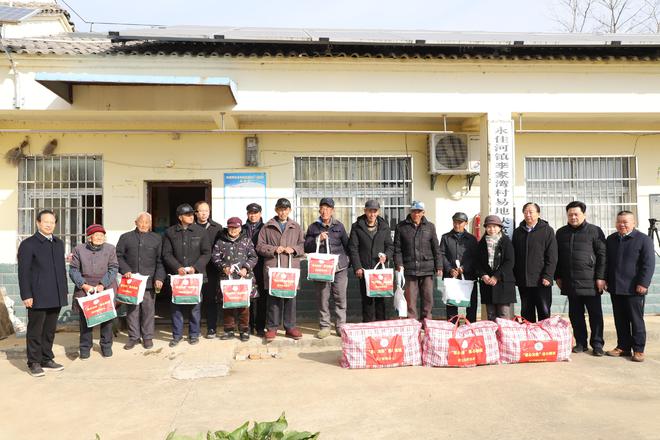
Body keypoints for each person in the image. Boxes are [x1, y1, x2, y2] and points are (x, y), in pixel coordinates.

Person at [17, 209, 68, 377]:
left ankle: (46, 358)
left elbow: (60, 270)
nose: (49, 225)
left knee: (49, 330)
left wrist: (63, 292)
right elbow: (23, 272)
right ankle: (34, 362)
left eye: (52, 222)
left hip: (56, 294)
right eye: (46, 221)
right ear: (38, 223)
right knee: (35, 330)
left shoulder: (58, 243)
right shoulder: (29, 244)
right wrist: (26, 295)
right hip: (37, 295)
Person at [555, 201, 607, 356]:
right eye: (570, 214)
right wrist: (557, 276)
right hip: (570, 281)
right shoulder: (561, 232)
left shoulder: (595, 231)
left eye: (576, 214)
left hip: (590, 281)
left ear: (584, 214)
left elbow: (602, 255)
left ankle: (597, 344)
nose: (573, 217)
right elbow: (556, 256)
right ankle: (580, 343)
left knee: (595, 315)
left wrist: (600, 277)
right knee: (575, 315)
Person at [605, 211, 656, 362]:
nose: (622, 225)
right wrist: (606, 280)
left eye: (625, 222)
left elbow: (649, 264)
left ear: (634, 223)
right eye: (619, 222)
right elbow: (607, 262)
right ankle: (623, 347)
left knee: (636, 320)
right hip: (615, 286)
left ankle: (639, 349)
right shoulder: (611, 239)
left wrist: (643, 283)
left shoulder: (643, 239)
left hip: (634, 288)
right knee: (620, 319)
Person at [162, 203, 211, 347]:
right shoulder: (170, 232)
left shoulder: (201, 232)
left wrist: (195, 267)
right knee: (176, 305)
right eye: (188, 215)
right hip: (177, 276)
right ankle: (176, 335)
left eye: (192, 214)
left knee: (195, 305)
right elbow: (166, 254)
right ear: (180, 217)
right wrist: (177, 267)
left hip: (195, 275)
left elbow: (207, 253)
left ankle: (194, 334)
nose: (191, 216)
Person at [256, 198, 305, 342]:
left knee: (290, 299)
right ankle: (272, 328)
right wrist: (273, 249)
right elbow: (259, 246)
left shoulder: (296, 226)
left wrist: (294, 249)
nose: (283, 212)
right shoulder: (267, 226)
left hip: (290, 268)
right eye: (280, 209)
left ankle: (290, 327)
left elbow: (302, 246)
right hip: (274, 267)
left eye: (286, 209)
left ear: (289, 210)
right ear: (276, 210)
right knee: (274, 299)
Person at [116, 212, 166, 350]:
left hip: (149, 282)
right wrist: (125, 269)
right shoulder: (126, 238)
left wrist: (159, 278)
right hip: (131, 281)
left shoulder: (157, 238)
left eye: (147, 223)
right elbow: (118, 256)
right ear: (135, 222)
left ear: (150, 224)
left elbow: (160, 261)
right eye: (141, 222)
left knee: (148, 310)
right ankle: (133, 337)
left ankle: (148, 337)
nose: (144, 225)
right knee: (132, 310)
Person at [69, 224, 119, 359]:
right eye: (96, 235)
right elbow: (73, 270)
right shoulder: (79, 249)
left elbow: (113, 268)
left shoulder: (110, 249)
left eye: (102, 235)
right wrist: (84, 285)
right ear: (90, 238)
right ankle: (85, 347)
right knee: (86, 319)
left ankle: (106, 346)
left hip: (106, 285)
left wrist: (102, 284)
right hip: (85, 286)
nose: (99, 238)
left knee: (107, 318)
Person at [305, 197, 351, 338]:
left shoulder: (339, 226)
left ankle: (340, 326)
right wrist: (318, 239)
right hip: (321, 269)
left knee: (340, 297)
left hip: (339, 268)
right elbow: (306, 246)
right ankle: (325, 326)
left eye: (328, 208)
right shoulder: (313, 227)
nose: (325, 211)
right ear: (319, 209)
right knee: (323, 298)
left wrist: (348, 262)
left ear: (332, 210)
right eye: (323, 208)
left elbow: (347, 245)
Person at [393, 201, 442, 321]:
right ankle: (412, 322)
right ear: (410, 212)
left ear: (423, 213)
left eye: (419, 212)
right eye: (414, 211)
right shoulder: (401, 227)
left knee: (428, 298)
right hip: (409, 269)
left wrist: (439, 265)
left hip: (427, 268)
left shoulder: (430, 226)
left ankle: (427, 322)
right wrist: (399, 264)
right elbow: (397, 249)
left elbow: (436, 247)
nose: (416, 214)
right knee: (410, 299)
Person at [212, 217, 258, 342]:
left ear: (240, 228)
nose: (233, 230)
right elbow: (215, 258)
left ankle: (244, 330)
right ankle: (229, 330)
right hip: (227, 279)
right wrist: (224, 267)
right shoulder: (220, 242)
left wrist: (246, 268)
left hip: (243, 279)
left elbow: (253, 257)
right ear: (228, 228)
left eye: (236, 228)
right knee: (228, 306)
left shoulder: (247, 241)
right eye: (231, 227)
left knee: (244, 306)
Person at [348, 200, 394, 323]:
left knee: (381, 300)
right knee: (367, 300)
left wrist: (386, 256)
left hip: (380, 270)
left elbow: (390, 246)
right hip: (364, 270)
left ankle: (381, 325)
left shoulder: (384, 227)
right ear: (365, 211)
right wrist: (357, 266)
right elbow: (353, 248)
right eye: (369, 211)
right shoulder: (356, 226)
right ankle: (368, 326)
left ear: (378, 212)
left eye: (375, 211)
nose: (372, 214)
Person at [512, 203, 558, 322]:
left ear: (538, 214)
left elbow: (552, 256)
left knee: (544, 311)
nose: (528, 215)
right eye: (525, 212)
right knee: (526, 312)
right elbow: (514, 256)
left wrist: (548, 275)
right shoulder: (518, 232)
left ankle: (544, 338)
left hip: (542, 280)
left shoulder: (547, 230)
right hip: (524, 280)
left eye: (531, 212)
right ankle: (529, 339)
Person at [439, 212, 479, 322]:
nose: (457, 225)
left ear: (465, 223)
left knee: (471, 304)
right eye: (455, 222)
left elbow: (475, 257)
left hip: (468, 275)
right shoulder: (446, 237)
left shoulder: (471, 239)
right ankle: (452, 326)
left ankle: (470, 326)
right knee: (451, 304)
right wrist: (449, 269)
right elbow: (441, 254)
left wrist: (464, 268)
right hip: (452, 276)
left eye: (460, 222)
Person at [476, 215, 516, 321]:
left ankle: (504, 337)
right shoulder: (481, 243)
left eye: (494, 226)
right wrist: (483, 275)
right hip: (487, 284)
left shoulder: (506, 241)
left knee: (503, 314)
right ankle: (493, 337)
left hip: (503, 283)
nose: (492, 229)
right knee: (491, 315)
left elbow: (509, 262)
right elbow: (477, 263)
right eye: (489, 226)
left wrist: (496, 276)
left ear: (500, 228)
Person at [194, 201, 222, 339]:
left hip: (211, 269)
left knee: (211, 299)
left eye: (206, 210)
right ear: (196, 213)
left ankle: (212, 328)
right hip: (194, 269)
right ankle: (196, 329)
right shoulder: (191, 227)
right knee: (195, 299)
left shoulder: (217, 228)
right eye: (201, 211)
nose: (204, 213)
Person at [243, 203, 266, 336]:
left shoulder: (266, 227)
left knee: (262, 298)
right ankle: (248, 326)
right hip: (246, 267)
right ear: (247, 214)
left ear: (260, 214)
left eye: (255, 213)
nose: (253, 215)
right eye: (250, 213)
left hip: (261, 266)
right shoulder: (242, 228)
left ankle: (260, 327)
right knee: (248, 297)